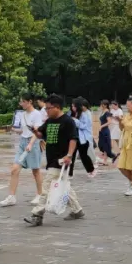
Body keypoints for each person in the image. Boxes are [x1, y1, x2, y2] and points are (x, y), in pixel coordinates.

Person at [25, 94, 83, 226]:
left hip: (62, 159)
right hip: (51, 158)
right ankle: (77, 210)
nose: (46, 111)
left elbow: (73, 139)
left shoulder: (68, 121)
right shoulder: (49, 121)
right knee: (63, 186)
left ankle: (37, 214)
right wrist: (34, 131)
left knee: (46, 186)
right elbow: (41, 134)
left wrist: (69, 155)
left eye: (48, 108)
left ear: (57, 107)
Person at [0, 94, 45, 208]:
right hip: (23, 142)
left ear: (30, 101)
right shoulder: (23, 114)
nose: (21, 104)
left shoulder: (37, 114)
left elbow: (37, 131)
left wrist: (30, 144)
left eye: (23, 102)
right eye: (20, 102)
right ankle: (11, 197)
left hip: (33, 143)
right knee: (14, 169)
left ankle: (40, 195)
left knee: (35, 171)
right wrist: (12, 129)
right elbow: (24, 130)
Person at [69, 98, 96, 178]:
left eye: (74, 106)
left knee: (83, 155)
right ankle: (69, 173)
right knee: (71, 155)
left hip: (82, 139)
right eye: (72, 106)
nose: (72, 108)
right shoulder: (72, 114)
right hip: (74, 137)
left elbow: (84, 126)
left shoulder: (84, 115)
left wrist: (75, 121)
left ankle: (91, 170)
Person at [97, 100, 117, 166]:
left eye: (102, 104)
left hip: (105, 131)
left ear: (105, 105)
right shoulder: (103, 112)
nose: (100, 105)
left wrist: (102, 126)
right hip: (102, 131)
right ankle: (112, 156)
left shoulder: (107, 112)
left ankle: (105, 160)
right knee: (101, 145)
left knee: (105, 145)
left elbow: (109, 122)